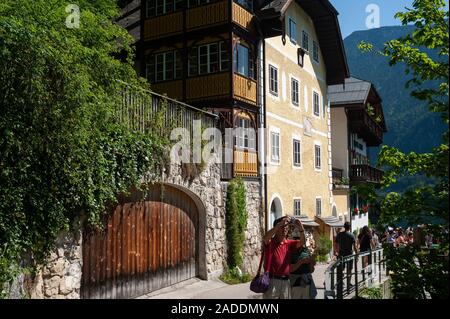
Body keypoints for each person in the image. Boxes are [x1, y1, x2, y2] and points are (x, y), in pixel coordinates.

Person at [262, 216, 305, 299]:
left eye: (286, 227)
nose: (285, 229)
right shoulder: (271, 242)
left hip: (286, 281)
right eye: (283, 227)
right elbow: (265, 238)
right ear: (277, 228)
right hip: (272, 281)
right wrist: (279, 224)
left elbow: (302, 242)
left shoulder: (289, 243)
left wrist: (301, 229)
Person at [290, 231, 317, 299]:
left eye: (300, 238)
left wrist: (311, 261)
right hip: (295, 285)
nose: (298, 240)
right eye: (296, 238)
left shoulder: (306, 251)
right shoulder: (290, 251)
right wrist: (301, 262)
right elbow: (290, 269)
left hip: (307, 284)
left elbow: (311, 270)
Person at [335, 221, 358, 289]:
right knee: (349, 269)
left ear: (344, 227)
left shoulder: (339, 235)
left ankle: (341, 282)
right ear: (349, 227)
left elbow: (336, 244)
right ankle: (348, 283)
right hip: (349, 255)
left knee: (341, 269)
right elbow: (355, 246)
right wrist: (357, 254)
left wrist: (336, 251)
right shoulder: (351, 235)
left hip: (341, 254)